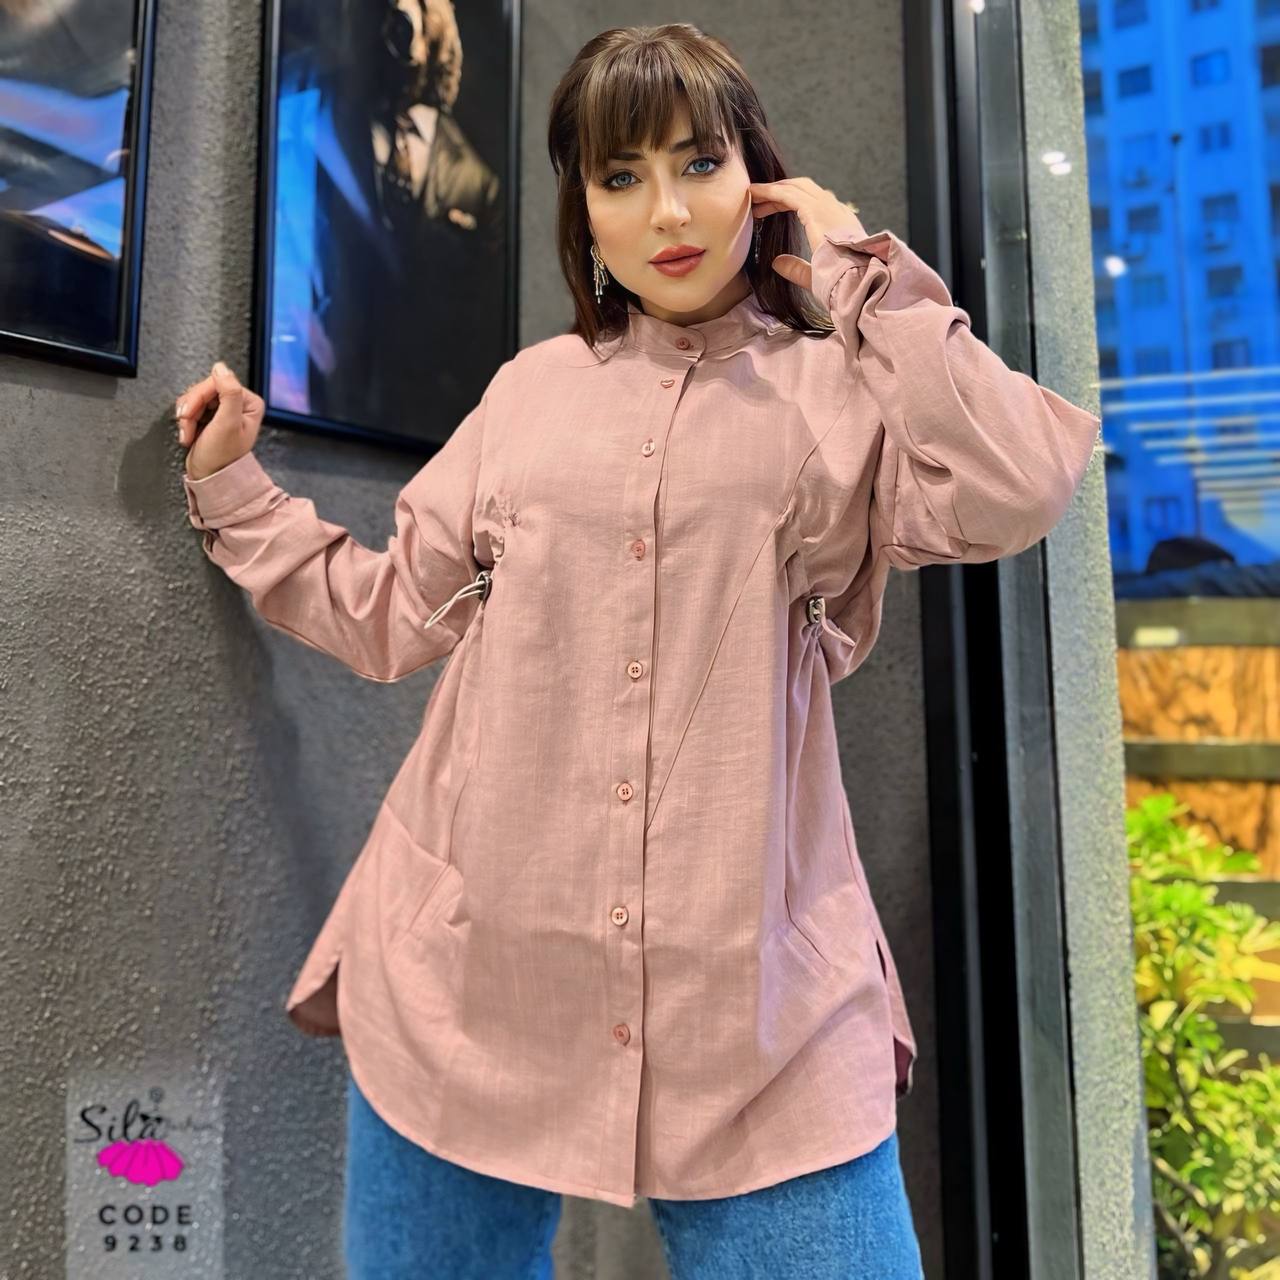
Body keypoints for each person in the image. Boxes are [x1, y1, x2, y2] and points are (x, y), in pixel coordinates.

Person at [172, 22, 1101, 1279]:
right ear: (586, 211)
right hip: (471, 984)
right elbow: (389, 615)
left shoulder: (843, 395)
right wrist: (236, 489)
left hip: (754, 1018)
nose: (664, 210)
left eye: (698, 162)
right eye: (619, 176)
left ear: (757, 177)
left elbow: (1018, 484)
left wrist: (856, 273)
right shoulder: (528, 393)